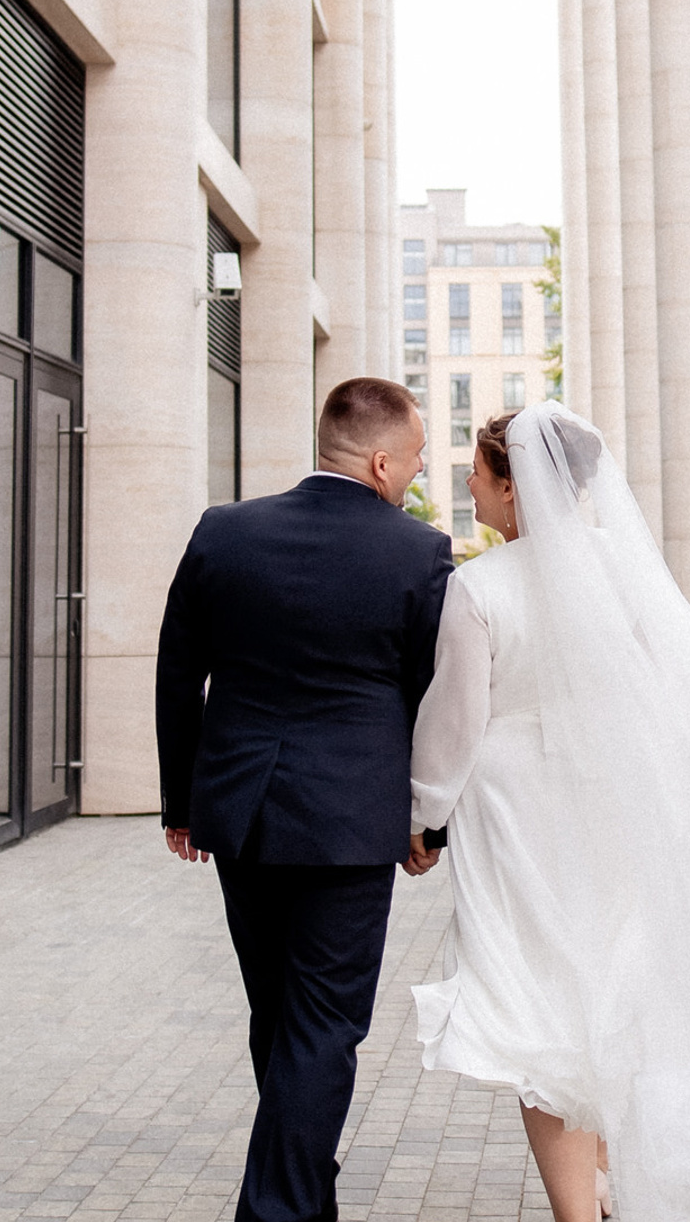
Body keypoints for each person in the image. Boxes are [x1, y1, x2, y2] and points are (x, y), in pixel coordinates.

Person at [408, 402, 690, 1222]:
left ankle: (577, 1211)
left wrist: (422, 815)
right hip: (616, 812)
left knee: (541, 1014)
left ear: (514, 486)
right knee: (608, 997)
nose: (470, 488)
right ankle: (603, 1178)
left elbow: (454, 724)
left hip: (518, 826)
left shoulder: (476, 588)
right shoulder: (623, 571)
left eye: (477, 475)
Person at [156, 376, 454, 1222]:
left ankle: (302, 1196)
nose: (418, 474)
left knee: (280, 1014)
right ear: (382, 461)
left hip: (240, 812)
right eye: (416, 459)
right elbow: (433, 700)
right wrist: (429, 821)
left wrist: (181, 802)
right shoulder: (419, 552)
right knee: (323, 1024)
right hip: (351, 825)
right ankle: (277, 1211)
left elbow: (177, 672)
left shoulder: (224, 530)